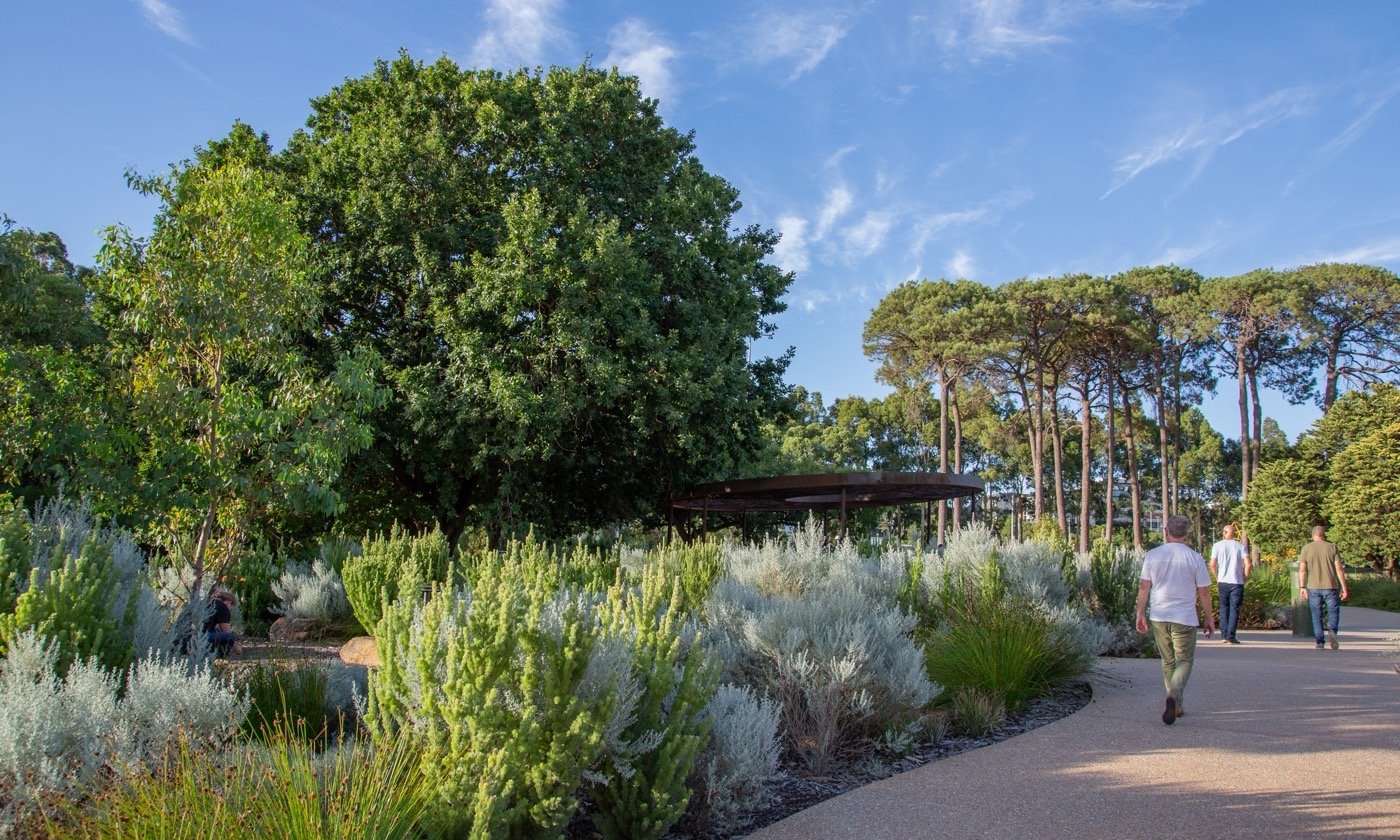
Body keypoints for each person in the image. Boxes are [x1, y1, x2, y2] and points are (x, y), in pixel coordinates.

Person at [1135, 514, 1216, 725]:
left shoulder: (1153, 555)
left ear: (1166, 531)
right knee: (1185, 661)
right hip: (1185, 617)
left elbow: (1145, 587)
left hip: (1159, 615)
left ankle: (1175, 701)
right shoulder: (1194, 557)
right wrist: (1209, 617)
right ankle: (1175, 696)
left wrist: (1140, 613)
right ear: (1186, 534)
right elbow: (1204, 592)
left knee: (1168, 660)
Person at [1298, 525, 1349, 650]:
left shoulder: (1306, 548)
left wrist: (1302, 587)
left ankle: (1320, 641)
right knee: (1333, 611)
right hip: (1331, 586)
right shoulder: (1332, 547)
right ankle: (1332, 631)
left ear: (1313, 535)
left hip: (1313, 587)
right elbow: (1339, 569)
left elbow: (1302, 570)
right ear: (1324, 534)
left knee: (1316, 614)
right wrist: (1344, 587)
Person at [1209, 523, 1251, 644]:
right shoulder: (1240, 546)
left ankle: (1223, 635)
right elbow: (1248, 564)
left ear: (1224, 532)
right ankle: (1231, 636)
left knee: (1223, 607)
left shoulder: (1217, 546)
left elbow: (1212, 564)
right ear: (1234, 534)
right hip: (1236, 582)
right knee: (1234, 608)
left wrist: (1217, 576)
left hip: (1222, 581)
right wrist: (1245, 577)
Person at [204, 587, 242, 657]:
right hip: (199, 638)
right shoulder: (223, 606)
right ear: (229, 603)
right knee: (228, 637)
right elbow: (227, 633)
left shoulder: (208, 602)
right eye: (231, 609)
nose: (230, 611)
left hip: (186, 637)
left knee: (217, 631)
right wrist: (237, 646)